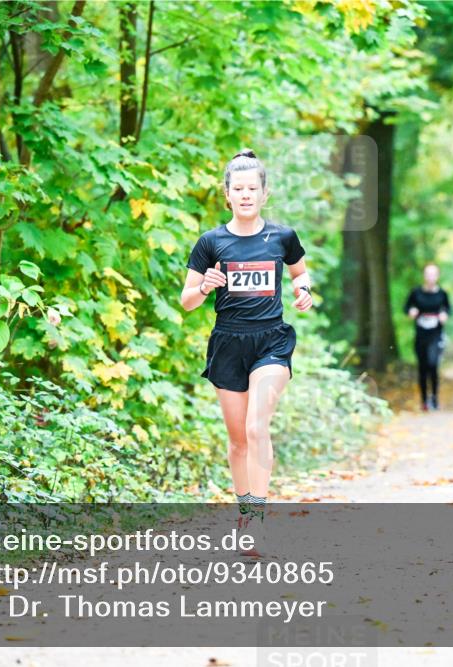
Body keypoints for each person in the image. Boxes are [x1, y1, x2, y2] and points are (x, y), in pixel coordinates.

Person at [180, 148, 313, 557]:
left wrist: (303, 289)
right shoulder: (211, 242)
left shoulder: (282, 237)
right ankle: (245, 509)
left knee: (257, 427)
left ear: (264, 193)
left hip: (271, 340)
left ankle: (256, 520)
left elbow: (300, 270)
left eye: (252, 188)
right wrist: (205, 286)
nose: (245, 195)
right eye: (237, 188)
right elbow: (185, 301)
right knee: (238, 441)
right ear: (227, 195)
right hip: (228, 343)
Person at [404, 264, 451, 411]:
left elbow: (448, 308)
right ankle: (424, 400)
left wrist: (444, 314)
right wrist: (411, 311)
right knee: (422, 368)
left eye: (433, 274)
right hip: (421, 335)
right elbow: (406, 307)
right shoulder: (416, 292)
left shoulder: (442, 294)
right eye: (428, 274)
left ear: (437, 276)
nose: (430, 277)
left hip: (436, 335)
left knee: (433, 364)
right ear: (424, 276)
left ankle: (435, 397)